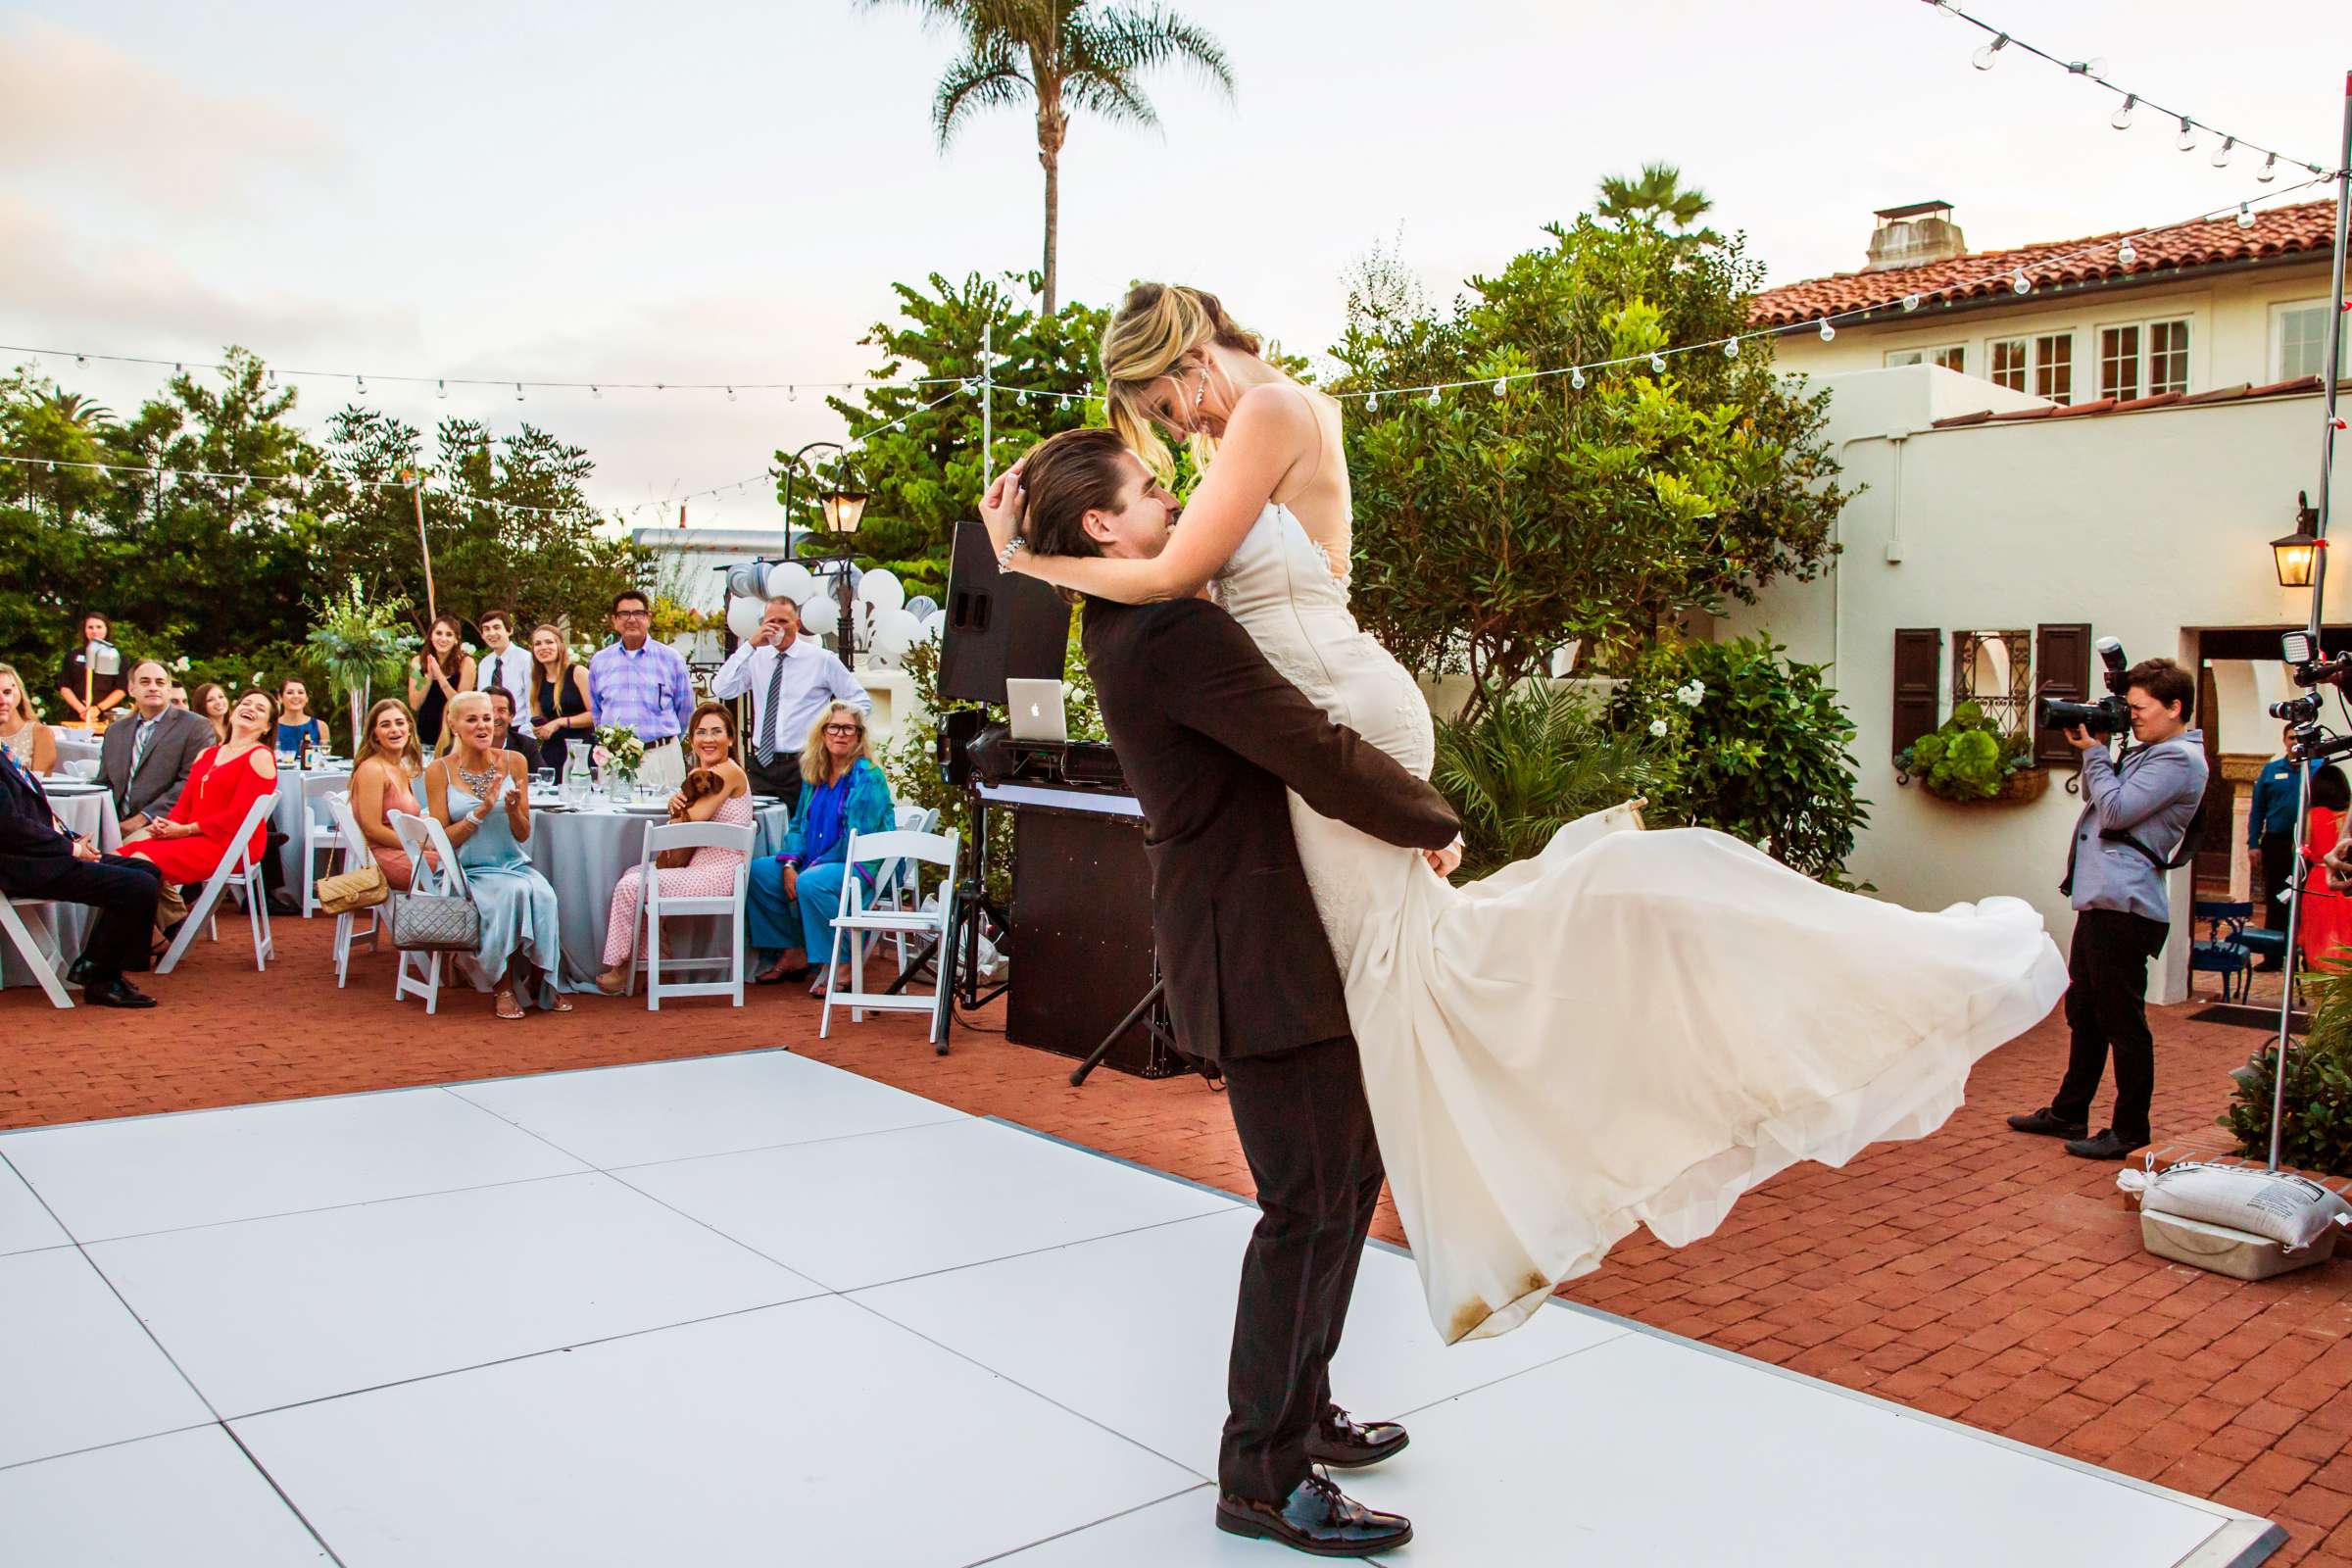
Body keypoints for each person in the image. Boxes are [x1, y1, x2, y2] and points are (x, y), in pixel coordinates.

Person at [985, 295, 2064, 1453]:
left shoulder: (1233, 472)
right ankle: (1265, 1457)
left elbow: (1213, 608)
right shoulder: (1166, 599)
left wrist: (1017, 558)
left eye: (1162, 407)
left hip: (1322, 836)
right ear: (1103, 531)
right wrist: (1417, 813)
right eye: (1149, 464)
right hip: (1290, 878)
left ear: (1189, 360)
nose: (1172, 448)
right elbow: (1268, 699)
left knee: (1351, 1157)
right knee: (1332, 1173)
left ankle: (1297, 1415)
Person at [2009, 660, 2210, 1161]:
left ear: (2174, 707)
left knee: (2123, 1019)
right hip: (2103, 900)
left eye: (2140, 708)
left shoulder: (2179, 760)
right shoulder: (2151, 752)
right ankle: (2069, 1111)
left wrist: (2096, 755)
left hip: (2127, 904)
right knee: (2086, 1012)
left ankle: (2130, 1129)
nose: (2133, 716)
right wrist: (2101, 749)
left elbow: (2117, 811)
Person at [421, 691, 568, 1021]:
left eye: (487, 717)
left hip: (512, 863)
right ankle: (501, 986)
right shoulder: (438, 771)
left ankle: (539, 981)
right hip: (466, 870)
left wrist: (514, 811)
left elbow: (523, 833)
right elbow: (442, 839)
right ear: (454, 724)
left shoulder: (514, 761)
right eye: (472, 719)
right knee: (511, 895)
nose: (483, 724)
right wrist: (482, 811)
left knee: (544, 893)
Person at [595, 702, 753, 993]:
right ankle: (647, 961)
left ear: (730, 738)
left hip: (719, 873)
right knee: (633, 873)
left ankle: (620, 965)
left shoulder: (727, 771)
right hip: (700, 866)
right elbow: (687, 818)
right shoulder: (701, 773)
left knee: (632, 886)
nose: (708, 739)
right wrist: (675, 805)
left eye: (717, 732)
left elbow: (693, 821)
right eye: (701, 732)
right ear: (691, 739)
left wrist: (677, 809)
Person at [0, 737, 163, 1007]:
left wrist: (71, 841)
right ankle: (102, 978)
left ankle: (97, 965)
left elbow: (34, 815)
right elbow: (9, 827)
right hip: (21, 867)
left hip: (43, 855)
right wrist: (70, 850)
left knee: (146, 870)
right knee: (137, 885)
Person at [746, 702, 895, 991]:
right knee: (759, 873)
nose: (840, 734)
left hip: (859, 864)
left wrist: (807, 868)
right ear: (823, 733)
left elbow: (857, 837)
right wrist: (790, 864)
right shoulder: (814, 773)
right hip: (817, 860)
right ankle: (794, 950)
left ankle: (843, 962)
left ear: (859, 735)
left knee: (811, 883)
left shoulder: (868, 776)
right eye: (834, 727)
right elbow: (799, 824)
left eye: (848, 728)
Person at [121, 690, 279, 904]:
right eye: (246, 703)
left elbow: (238, 816)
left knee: (138, 865)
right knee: (115, 859)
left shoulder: (259, 756)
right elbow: (184, 804)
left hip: (230, 844)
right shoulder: (207, 754)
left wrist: (186, 829)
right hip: (193, 837)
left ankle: (152, 932)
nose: (250, 708)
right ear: (232, 713)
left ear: (267, 727)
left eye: (260, 709)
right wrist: (167, 826)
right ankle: (162, 927)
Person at [710, 597, 870, 801]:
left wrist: (837, 734)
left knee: (802, 826)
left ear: (797, 624)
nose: (777, 628)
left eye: (783, 621)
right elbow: (722, 688)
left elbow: (860, 702)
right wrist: (749, 645)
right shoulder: (757, 658)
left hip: (805, 760)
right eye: (771, 622)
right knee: (759, 824)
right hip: (763, 762)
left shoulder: (821, 660)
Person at [588, 590, 693, 792]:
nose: (632, 619)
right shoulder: (600, 661)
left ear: (649, 617)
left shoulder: (671, 659)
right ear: (614, 620)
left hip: (661, 755)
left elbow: (685, 710)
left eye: (638, 613)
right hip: (616, 759)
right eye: (624, 614)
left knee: (666, 818)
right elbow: (597, 712)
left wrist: (663, 743)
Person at [99, 661, 217, 837]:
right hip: (113, 821)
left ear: (169, 690)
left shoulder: (196, 726)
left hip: (163, 824)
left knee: (118, 854)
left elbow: (191, 782)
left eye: (160, 683)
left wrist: (141, 819)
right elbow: (104, 782)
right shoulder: (115, 731)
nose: (153, 687)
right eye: (145, 682)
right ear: (131, 689)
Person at [2247, 723, 2321, 962]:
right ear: (2284, 740)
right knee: (2277, 897)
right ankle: (2274, 957)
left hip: (2310, 845)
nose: (2294, 742)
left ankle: (2307, 957)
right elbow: (2257, 810)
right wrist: (2253, 843)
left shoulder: (2319, 769)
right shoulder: (2271, 771)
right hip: (2277, 843)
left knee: (2307, 900)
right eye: (2290, 738)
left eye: (2299, 738)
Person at [349, 699, 427, 890]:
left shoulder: (400, 768)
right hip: (385, 857)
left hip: (405, 851)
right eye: (385, 725)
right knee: (456, 870)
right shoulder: (372, 769)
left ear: (409, 729)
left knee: (464, 862)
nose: (394, 729)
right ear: (375, 735)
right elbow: (372, 829)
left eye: (400, 723)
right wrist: (419, 846)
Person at [2297, 765, 2352, 971]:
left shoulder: (2312, 815)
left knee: (2319, 933)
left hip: (2320, 880)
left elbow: (2303, 848)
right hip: (2347, 879)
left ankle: (2321, 989)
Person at [528, 622, 594, 780]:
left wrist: (559, 722)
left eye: (549, 642)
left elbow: (595, 715)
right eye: (538, 644)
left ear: (560, 645)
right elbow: (540, 719)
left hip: (580, 751)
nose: (543, 647)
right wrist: (540, 730)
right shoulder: (537, 680)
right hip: (552, 752)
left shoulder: (578, 673)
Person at [407, 614, 476, 754]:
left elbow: (461, 704)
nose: (443, 639)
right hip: (425, 735)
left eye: (449, 635)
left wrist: (440, 677)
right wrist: (429, 676)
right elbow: (415, 703)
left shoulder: (466, 664)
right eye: (438, 633)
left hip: (453, 736)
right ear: (431, 636)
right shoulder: (417, 664)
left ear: (456, 640)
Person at [56, 612, 125, 728]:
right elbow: (64, 686)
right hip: (77, 715)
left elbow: (121, 689)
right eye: (90, 627)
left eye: (99, 627)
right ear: (84, 630)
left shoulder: (117, 656)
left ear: (106, 629)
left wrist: (97, 709)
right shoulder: (72, 656)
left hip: (106, 716)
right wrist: (82, 710)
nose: (94, 631)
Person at [472, 609, 532, 718]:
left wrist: (527, 731)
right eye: (486, 629)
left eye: (496, 627)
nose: (491, 633)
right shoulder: (484, 664)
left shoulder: (526, 659)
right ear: (482, 635)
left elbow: (532, 701)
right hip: (491, 727)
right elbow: (482, 700)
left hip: (518, 727)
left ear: (509, 631)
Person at [0, 662, 58, 775]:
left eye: (7, 692)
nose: (2, 701)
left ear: (19, 693)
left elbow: (37, 786)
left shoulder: (40, 734)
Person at [487, 688, 544, 774]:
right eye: (489, 710)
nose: (495, 717)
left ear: (511, 716)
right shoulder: (468, 745)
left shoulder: (526, 745)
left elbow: (541, 779)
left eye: (502, 710)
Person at [275, 677, 329, 760]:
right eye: (290, 693)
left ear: (307, 698)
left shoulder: (320, 726)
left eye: (300, 692)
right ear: (280, 697)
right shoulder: (271, 726)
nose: (296, 696)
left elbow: (326, 760)